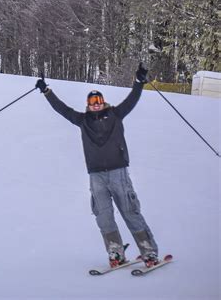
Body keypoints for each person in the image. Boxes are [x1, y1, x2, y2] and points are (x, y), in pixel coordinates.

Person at [35, 63, 160, 269]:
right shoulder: (82, 120)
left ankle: (149, 252)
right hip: (96, 176)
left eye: (98, 100)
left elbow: (132, 99)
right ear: (88, 104)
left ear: (103, 102)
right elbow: (62, 109)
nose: (95, 103)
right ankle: (116, 253)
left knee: (130, 211)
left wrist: (139, 81)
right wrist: (47, 92)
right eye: (92, 101)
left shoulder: (116, 115)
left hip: (118, 172)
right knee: (103, 216)